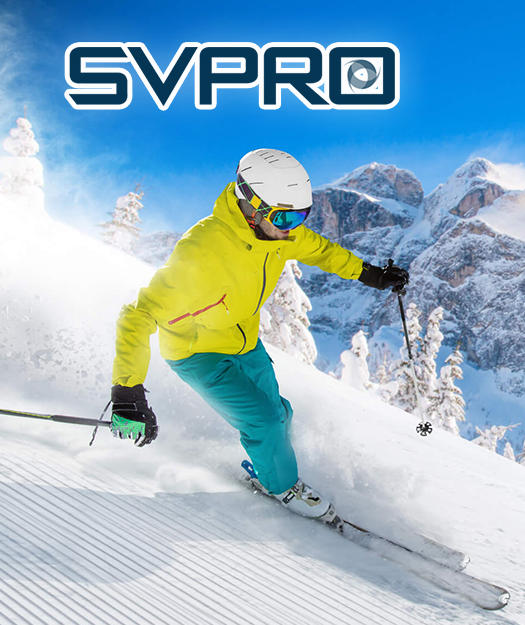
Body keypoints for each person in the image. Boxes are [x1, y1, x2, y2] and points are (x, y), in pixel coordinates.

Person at [108, 148, 409, 520]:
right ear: (252, 206)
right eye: (284, 216)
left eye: (302, 216)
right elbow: (137, 315)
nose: (292, 228)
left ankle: (269, 466)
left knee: (281, 413)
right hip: (196, 353)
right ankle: (282, 486)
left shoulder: (279, 233)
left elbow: (322, 251)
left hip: (244, 342)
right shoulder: (202, 250)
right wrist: (127, 392)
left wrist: (371, 274)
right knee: (264, 420)